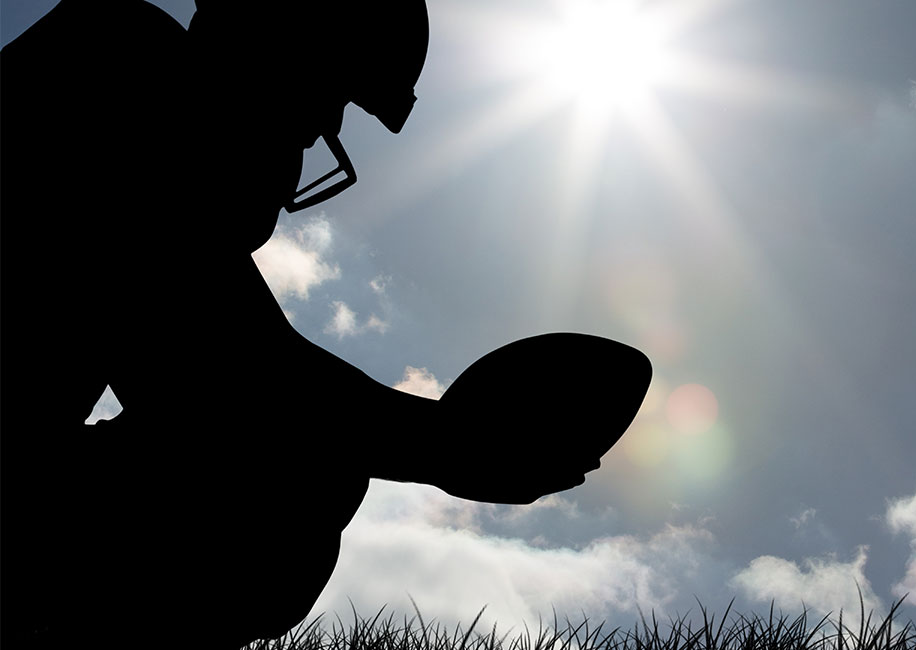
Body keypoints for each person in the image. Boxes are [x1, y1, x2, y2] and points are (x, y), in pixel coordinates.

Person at [0, 1, 650, 647]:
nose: (321, 132)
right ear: (272, 51)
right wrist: (454, 447)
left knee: (298, 468)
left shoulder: (137, 114)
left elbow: (227, 374)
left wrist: (450, 445)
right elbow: (249, 376)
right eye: (327, 99)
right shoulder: (117, 66)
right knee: (297, 478)